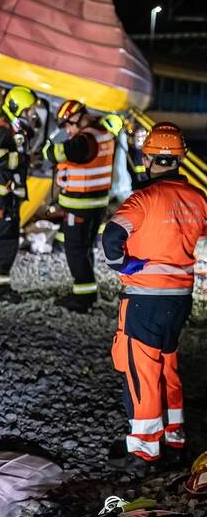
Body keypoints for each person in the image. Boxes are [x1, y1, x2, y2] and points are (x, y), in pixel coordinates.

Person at [102, 122, 207, 462]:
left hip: (145, 299)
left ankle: (145, 449)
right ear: (181, 159)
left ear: (147, 159)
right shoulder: (198, 199)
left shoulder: (143, 199)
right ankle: (175, 437)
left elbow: (111, 236)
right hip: (180, 300)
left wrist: (122, 265)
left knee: (142, 370)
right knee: (167, 366)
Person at [41, 100, 115, 312]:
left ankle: (82, 298)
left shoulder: (86, 139)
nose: (67, 129)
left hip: (81, 204)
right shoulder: (102, 132)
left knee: (75, 250)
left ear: (77, 118)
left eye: (68, 124)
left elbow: (63, 153)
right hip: (96, 203)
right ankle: (87, 291)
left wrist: (48, 148)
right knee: (84, 248)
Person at [0, 85, 36, 303]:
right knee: (4, 242)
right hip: (2, 197)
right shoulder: (3, 128)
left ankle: (0, 286)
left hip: (9, 197)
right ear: (15, 107)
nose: (30, 114)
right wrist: (21, 159)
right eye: (27, 110)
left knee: (8, 241)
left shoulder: (14, 128)